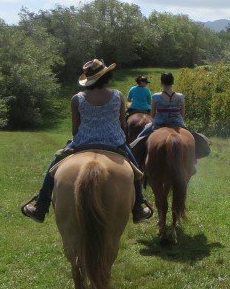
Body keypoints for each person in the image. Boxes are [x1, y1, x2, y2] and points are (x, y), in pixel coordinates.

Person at [22, 59, 153, 223]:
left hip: (82, 143)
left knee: (54, 164)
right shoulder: (117, 96)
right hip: (114, 143)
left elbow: (75, 128)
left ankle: (40, 206)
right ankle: (139, 206)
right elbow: (122, 123)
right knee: (136, 172)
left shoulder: (77, 99)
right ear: (107, 76)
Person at [131, 72, 186, 145]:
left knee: (139, 138)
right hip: (177, 122)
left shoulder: (156, 97)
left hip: (159, 123)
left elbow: (152, 114)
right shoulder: (180, 96)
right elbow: (182, 113)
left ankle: (134, 146)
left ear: (161, 82)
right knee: (190, 136)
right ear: (172, 82)